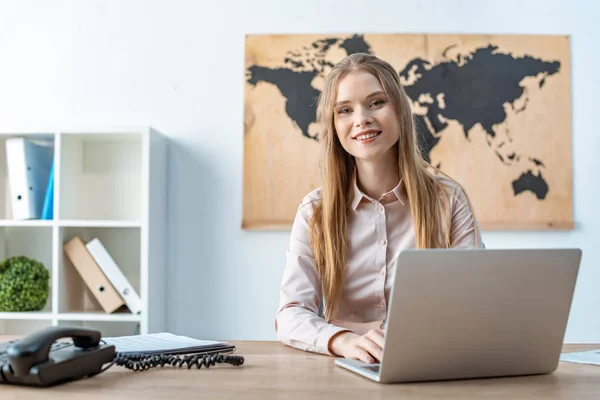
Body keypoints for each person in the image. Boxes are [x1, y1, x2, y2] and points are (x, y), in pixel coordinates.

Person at [274, 53, 484, 365]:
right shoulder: (315, 212)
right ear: (333, 125)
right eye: (345, 110)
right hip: (344, 368)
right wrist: (344, 342)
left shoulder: (447, 199)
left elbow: (475, 301)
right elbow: (291, 314)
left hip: (430, 361)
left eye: (376, 103)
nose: (362, 119)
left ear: (399, 109)